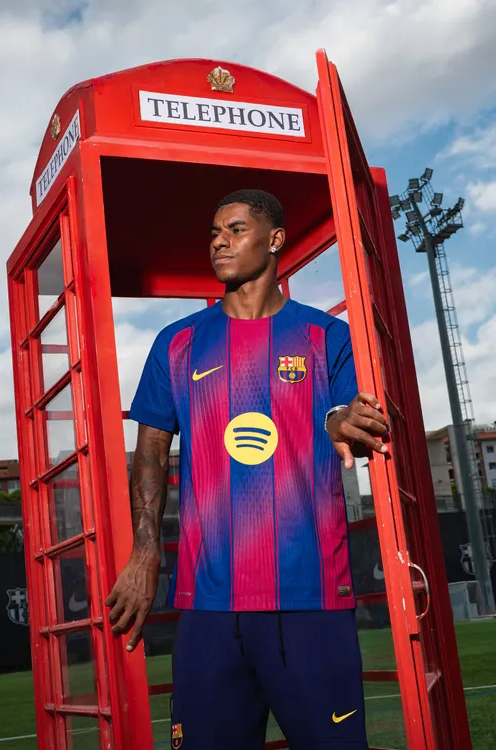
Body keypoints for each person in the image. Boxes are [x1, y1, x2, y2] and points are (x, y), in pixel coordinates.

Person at [104, 188, 389, 749]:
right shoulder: (177, 343)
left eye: (235, 229)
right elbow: (151, 452)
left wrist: (340, 421)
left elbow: (347, 412)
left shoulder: (326, 337)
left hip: (309, 598)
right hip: (209, 606)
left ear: (275, 240)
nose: (219, 242)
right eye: (214, 233)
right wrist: (144, 552)